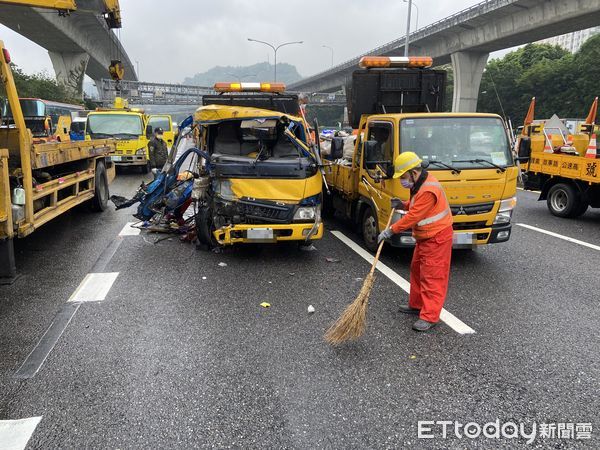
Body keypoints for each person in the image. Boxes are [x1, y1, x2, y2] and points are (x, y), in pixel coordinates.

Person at [377, 152, 453, 332]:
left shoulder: (427, 189)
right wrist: (403, 204)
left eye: (403, 176)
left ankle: (430, 316)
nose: (403, 181)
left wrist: (390, 230)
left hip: (436, 238)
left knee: (432, 277)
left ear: (413, 172)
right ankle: (417, 304)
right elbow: (416, 206)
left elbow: (414, 216)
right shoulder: (420, 184)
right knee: (417, 269)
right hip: (426, 237)